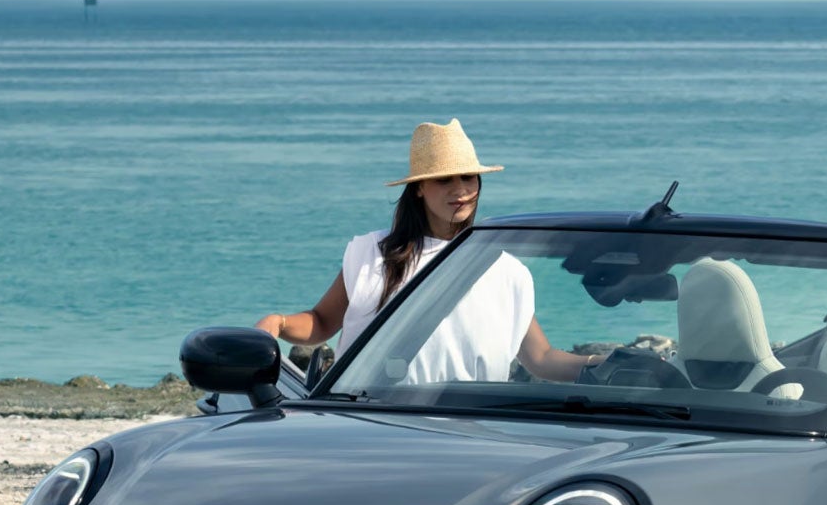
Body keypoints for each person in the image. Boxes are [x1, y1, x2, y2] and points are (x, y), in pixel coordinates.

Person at [254, 117, 598, 383]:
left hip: (473, 432)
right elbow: (322, 322)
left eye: (468, 178)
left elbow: (540, 359)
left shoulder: (505, 270)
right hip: (372, 424)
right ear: (419, 189)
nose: (460, 190)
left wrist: (611, 366)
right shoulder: (373, 253)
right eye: (445, 180)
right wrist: (279, 323)